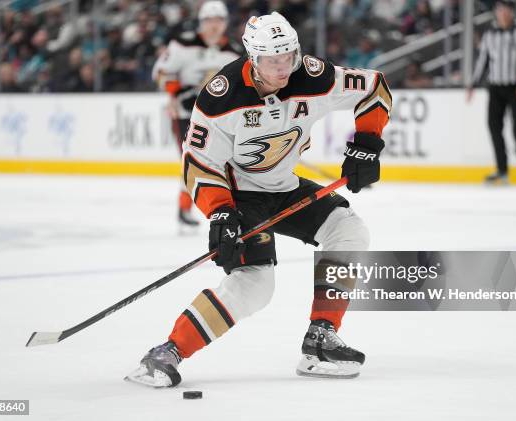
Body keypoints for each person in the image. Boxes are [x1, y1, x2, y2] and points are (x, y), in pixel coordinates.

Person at [126, 11, 391, 387]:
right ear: (252, 57)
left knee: (349, 231)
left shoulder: (312, 76)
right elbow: (198, 164)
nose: (284, 68)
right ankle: (167, 352)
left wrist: (367, 145)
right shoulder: (222, 96)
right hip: (240, 198)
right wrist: (219, 214)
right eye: (272, 60)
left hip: (284, 188)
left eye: (289, 57)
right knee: (256, 284)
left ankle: (320, 337)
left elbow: (374, 86)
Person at [152, 0, 241, 230]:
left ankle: (231, 208)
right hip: (184, 114)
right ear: (201, 22)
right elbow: (160, 73)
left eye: (219, 20)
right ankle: (184, 208)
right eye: (209, 20)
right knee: (192, 160)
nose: (214, 25)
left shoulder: (233, 52)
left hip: (218, 118)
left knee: (226, 163)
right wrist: (179, 92)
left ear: (225, 23)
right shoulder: (183, 44)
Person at [466, 0, 516, 184]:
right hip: (496, 87)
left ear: (512, 11)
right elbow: (483, 59)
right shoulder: (490, 33)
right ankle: (502, 170)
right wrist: (473, 84)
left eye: (507, 9)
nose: (504, 13)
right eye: (500, 9)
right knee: (494, 128)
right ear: (496, 12)